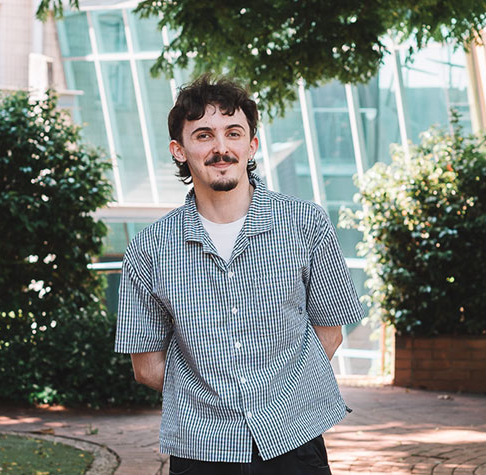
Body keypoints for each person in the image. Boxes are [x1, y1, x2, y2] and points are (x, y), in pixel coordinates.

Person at [114, 74, 364, 475]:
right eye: (203, 135)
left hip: (294, 440)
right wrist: (212, 400)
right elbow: (145, 366)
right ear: (179, 151)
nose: (220, 148)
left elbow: (329, 333)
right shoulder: (149, 247)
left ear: (252, 145)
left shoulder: (305, 224)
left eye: (233, 133)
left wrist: (274, 398)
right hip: (200, 450)